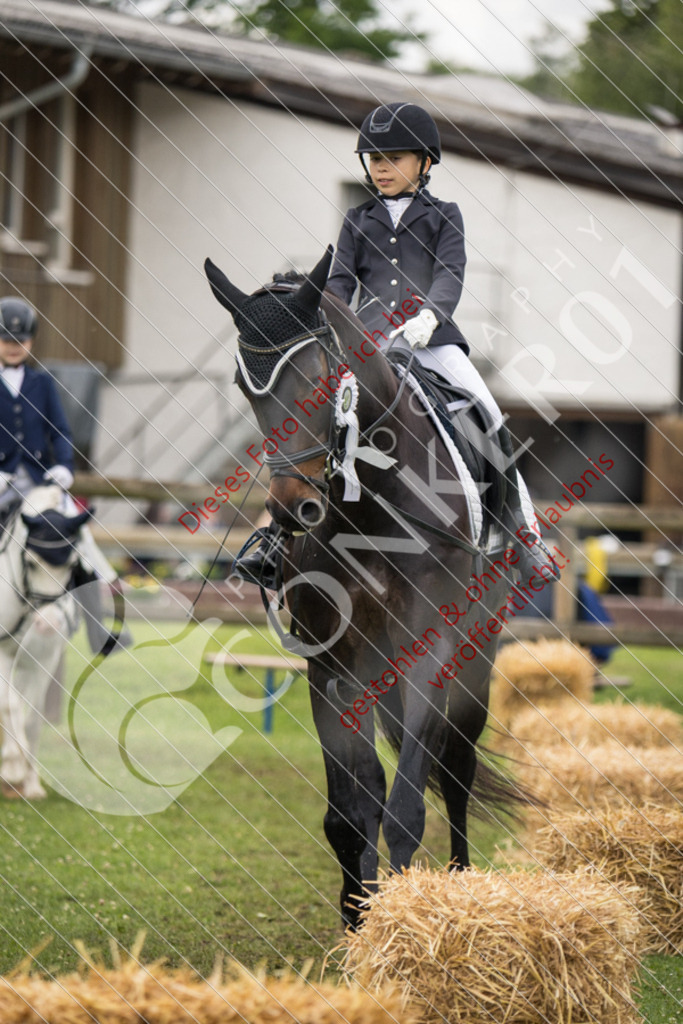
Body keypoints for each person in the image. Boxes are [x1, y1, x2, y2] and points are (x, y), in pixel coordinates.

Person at [233, 102, 555, 586]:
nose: (381, 168)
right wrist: (324, 324)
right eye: (375, 160)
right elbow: (339, 286)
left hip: (432, 340)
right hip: (369, 347)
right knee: (312, 419)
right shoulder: (357, 219)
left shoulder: (445, 216)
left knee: (487, 413)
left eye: (394, 159)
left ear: (424, 163)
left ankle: (525, 534)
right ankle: (277, 543)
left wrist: (430, 315)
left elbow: (450, 275)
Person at [0, 296, 121, 650]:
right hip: (3, 482)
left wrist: (64, 467)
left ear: (31, 341)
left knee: (79, 537)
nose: (14, 347)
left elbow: (60, 431)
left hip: (39, 482)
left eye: (20, 341)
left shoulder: (43, 383)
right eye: (7, 340)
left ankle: (99, 631)